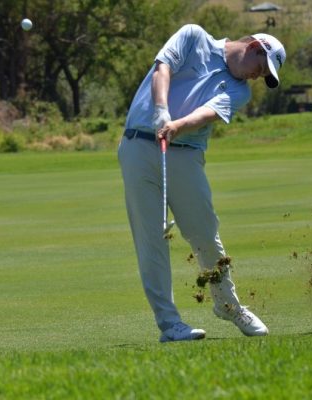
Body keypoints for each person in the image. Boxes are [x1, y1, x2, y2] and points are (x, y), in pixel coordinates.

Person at [118, 24, 286, 343]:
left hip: (185, 153)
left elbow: (207, 114)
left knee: (206, 235)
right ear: (253, 47)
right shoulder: (193, 36)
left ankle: (228, 305)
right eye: (261, 68)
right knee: (151, 239)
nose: (257, 77)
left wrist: (176, 125)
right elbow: (162, 68)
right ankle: (170, 325)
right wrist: (161, 110)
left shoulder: (240, 91)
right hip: (138, 145)